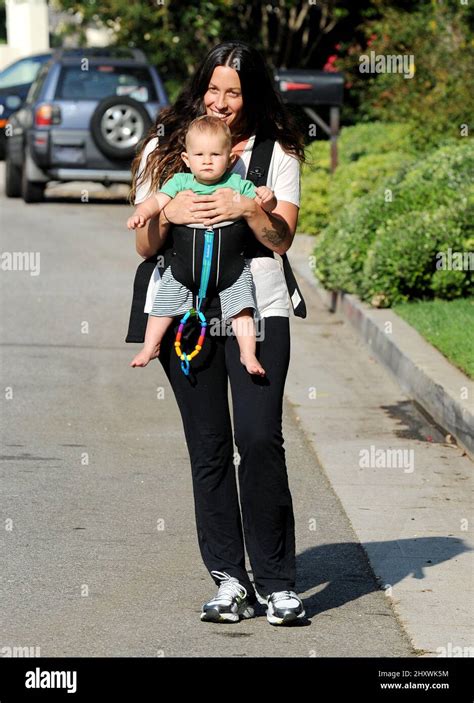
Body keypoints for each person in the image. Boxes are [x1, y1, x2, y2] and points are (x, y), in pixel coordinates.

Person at [128, 40, 307, 626]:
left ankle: (278, 583)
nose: (223, 101)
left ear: (251, 94)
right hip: (185, 314)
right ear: (200, 88)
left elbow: (281, 242)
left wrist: (246, 209)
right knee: (208, 448)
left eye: (234, 91)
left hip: (260, 309)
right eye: (214, 89)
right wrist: (166, 214)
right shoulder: (166, 147)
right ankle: (230, 580)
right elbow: (143, 245)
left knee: (258, 440)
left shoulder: (276, 154)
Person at [127, 115, 277, 376]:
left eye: (215, 155)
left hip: (230, 271)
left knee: (243, 310)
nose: (207, 161)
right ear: (187, 159)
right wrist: (142, 214)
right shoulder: (180, 183)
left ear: (230, 158)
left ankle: (248, 354)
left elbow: (265, 207)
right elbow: (156, 200)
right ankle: (150, 346)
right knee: (162, 305)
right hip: (184, 270)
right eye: (199, 155)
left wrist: (268, 198)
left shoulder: (237, 185)